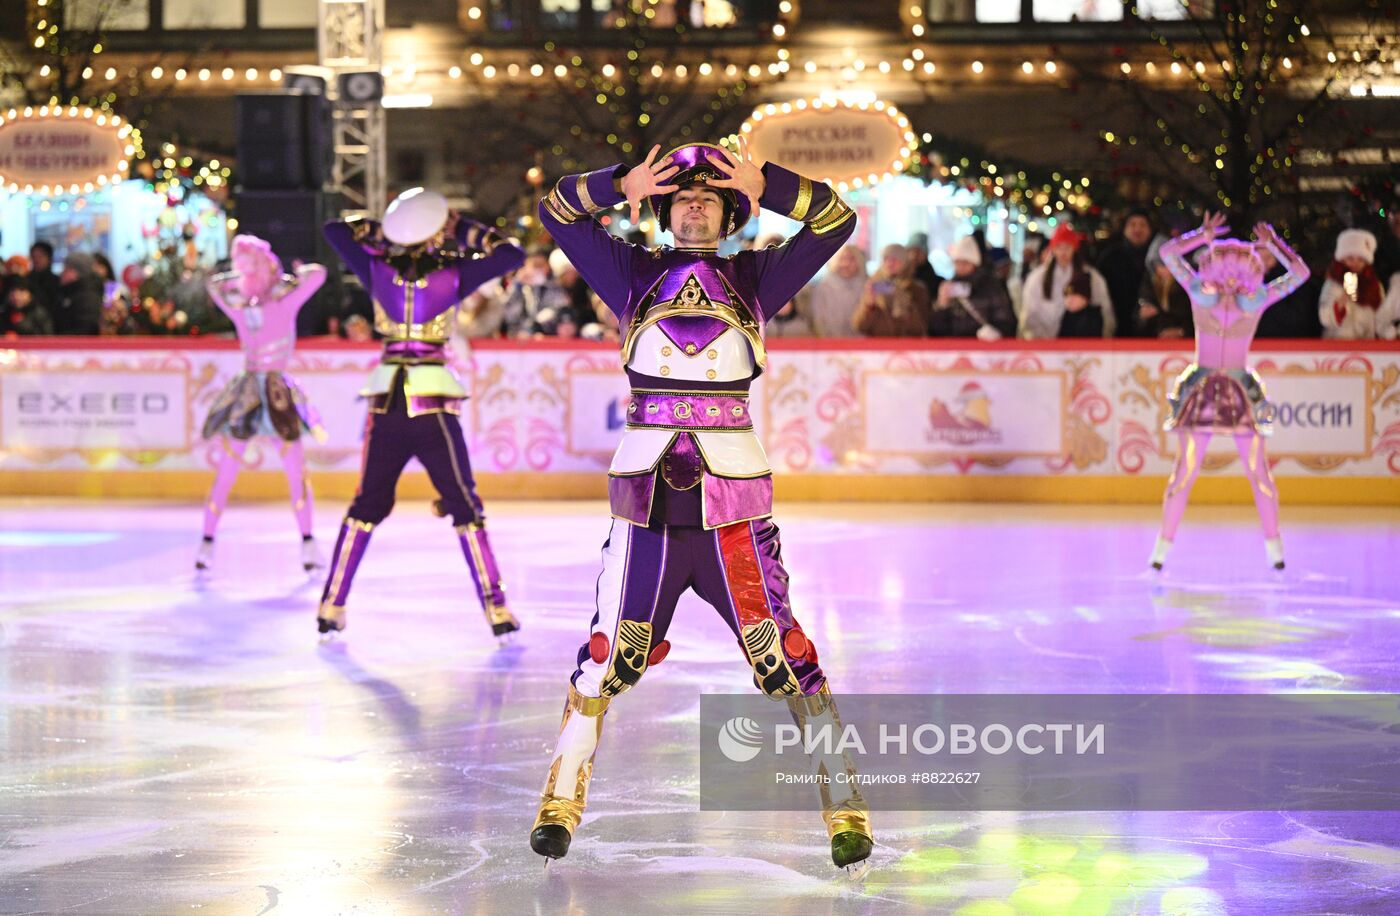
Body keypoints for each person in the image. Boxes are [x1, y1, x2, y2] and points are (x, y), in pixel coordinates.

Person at [530, 139, 874, 870]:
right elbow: (556, 213)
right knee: (602, 658)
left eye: (710, 197)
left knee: (788, 656)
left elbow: (837, 221)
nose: (693, 205)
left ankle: (846, 810)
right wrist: (618, 182)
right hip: (645, 511)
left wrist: (772, 183)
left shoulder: (756, 275)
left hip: (734, 513)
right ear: (663, 208)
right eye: (682, 197)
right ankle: (558, 807)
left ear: (729, 212)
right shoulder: (631, 270)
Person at [317, 189, 526, 638]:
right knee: (465, 505)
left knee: (366, 505)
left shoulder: (375, 269)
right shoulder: (454, 275)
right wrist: (459, 228)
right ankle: (497, 609)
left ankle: (332, 604)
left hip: (388, 401)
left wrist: (381, 232)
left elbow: (334, 231)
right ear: (436, 233)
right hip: (432, 403)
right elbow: (512, 253)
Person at [1149, 212, 1310, 572]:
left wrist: (1201, 236)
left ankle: (1165, 551)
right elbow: (1300, 273)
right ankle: (1273, 552)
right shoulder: (1243, 299)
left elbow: (1169, 255)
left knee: (1210, 473)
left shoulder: (1204, 295)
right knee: (1211, 473)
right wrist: (1273, 246)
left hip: (1220, 392)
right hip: (1223, 391)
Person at [195, 235, 329, 573]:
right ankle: (207, 542)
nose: (245, 273)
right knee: (229, 470)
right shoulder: (244, 306)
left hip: (274, 393)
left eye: (250, 266)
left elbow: (319, 275)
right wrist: (280, 279)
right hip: (253, 392)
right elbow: (213, 284)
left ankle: (308, 542)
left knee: (294, 470)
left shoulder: (277, 304)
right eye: (242, 267)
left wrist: (282, 278)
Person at [1019, 225, 1114, 339]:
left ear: (1074, 248)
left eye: (1068, 247)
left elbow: (1105, 311)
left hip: (1081, 345)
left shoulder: (1091, 277)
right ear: (1053, 249)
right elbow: (1029, 316)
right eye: (1059, 247)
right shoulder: (1037, 278)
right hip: (1045, 346)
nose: (1063, 252)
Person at [930, 236, 1016, 340]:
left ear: (975, 263)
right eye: (957, 262)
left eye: (965, 262)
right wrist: (942, 306)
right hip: (955, 349)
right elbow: (936, 330)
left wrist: (996, 332)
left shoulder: (991, 286)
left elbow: (1006, 320)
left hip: (984, 350)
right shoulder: (948, 287)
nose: (961, 267)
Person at [1318, 229, 1395, 339]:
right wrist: (1340, 303)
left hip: (1367, 344)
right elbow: (1325, 317)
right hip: (1339, 345)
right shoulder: (1333, 284)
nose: (1355, 263)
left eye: (1360, 259)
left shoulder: (1374, 285)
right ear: (1342, 259)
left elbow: (1382, 315)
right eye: (1350, 258)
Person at [1096, 209, 1154, 337]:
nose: (1137, 229)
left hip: (1152, 330)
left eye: (1142, 225)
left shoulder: (1158, 258)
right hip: (1117, 326)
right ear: (1124, 229)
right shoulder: (1110, 257)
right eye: (1133, 225)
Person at [854, 243, 931, 336]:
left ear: (905, 262)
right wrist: (869, 307)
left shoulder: (917, 290)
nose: (890, 263)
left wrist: (906, 305)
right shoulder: (873, 286)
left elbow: (921, 328)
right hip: (879, 347)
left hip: (906, 347)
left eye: (895, 259)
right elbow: (860, 326)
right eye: (886, 259)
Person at [500, 248, 574, 337]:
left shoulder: (556, 287)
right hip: (518, 337)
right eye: (533, 265)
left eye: (540, 265)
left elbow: (558, 310)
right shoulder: (519, 286)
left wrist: (535, 329)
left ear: (548, 267)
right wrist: (518, 285)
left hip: (545, 335)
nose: (536, 269)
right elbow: (508, 314)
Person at [803, 244, 867, 337]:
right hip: (829, 343)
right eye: (842, 259)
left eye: (851, 259)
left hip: (860, 345)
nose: (846, 264)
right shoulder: (824, 287)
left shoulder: (867, 286)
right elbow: (818, 318)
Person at [907, 231, 943, 302]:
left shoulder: (936, 282)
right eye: (911, 250)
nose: (913, 256)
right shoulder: (897, 276)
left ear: (925, 254)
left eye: (918, 251)